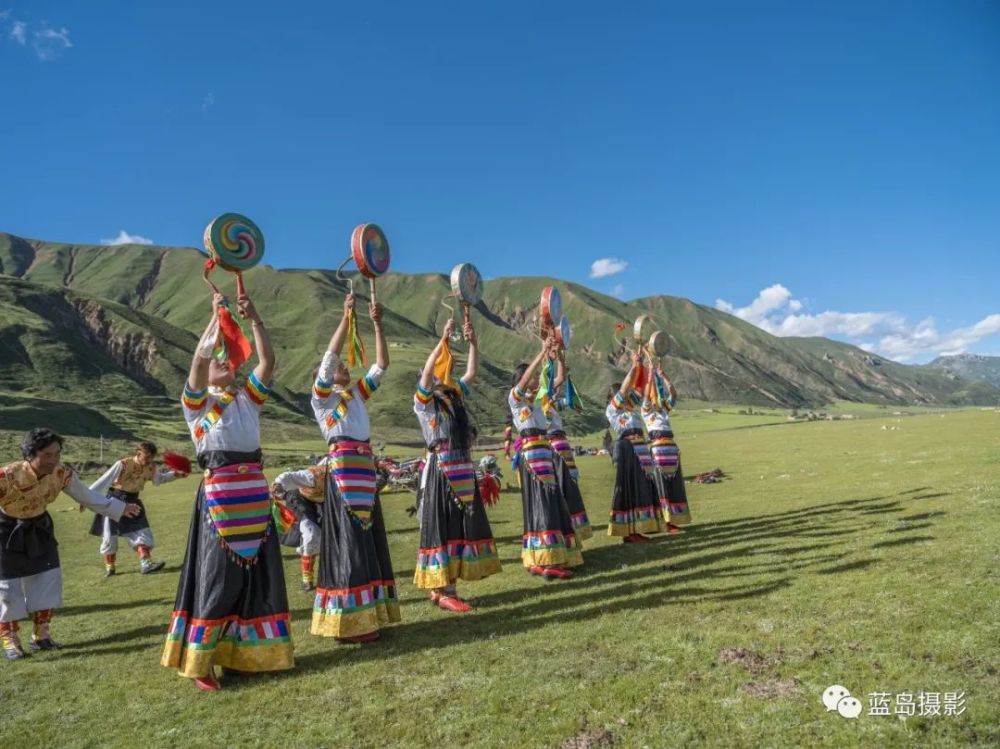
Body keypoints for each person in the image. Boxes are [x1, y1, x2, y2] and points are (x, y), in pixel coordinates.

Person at [162, 290, 293, 691]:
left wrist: (254, 318)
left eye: (227, 359)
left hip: (254, 496)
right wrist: (216, 316)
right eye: (219, 361)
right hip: (220, 501)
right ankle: (202, 662)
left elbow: (268, 361)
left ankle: (246, 656)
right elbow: (200, 361)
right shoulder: (196, 408)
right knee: (216, 579)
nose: (222, 361)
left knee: (256, 580)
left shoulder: (248, 402)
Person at [0, 428, 141, 659]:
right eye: (47, 455)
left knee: (47, 579)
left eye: (57, 453)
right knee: (6, 586)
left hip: (40, 528)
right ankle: (10, 639)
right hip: (5, 530)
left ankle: (41, 635)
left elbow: (86, 495)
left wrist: (121, 508)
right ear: (30, 454)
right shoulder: (6, 476)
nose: (54, 460)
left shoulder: (61, 473)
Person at [310, 292, 399, 643]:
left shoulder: (357, 395)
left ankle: (368, 616)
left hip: (363, 470)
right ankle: (347, 625)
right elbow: (329, 358)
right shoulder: (321, 400)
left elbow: (382, 364)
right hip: (344, 473)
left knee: (366, 543)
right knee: (347, 544)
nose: (344, 367)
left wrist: (376, 323)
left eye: (347, 367)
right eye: (338, 369)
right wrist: (346, 321)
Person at [413, 316, 501, 612]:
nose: (442, 372)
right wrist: (443, 340)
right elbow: (426, 374)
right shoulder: (424, 403)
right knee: (442, 525)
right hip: (441, 471)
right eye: (439, 369)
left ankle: (446, 587)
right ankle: (443, 589)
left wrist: (473, 341)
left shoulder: (454, 397)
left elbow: (473, 371)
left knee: (458, 527)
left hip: (461, 469)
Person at [508, 333, 583, 578]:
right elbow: (524, 384)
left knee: (550, 504)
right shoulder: (515, 400)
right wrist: (541, 354)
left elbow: (560, 378)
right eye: (527, 379)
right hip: (531, 458)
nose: (532, 383)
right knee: (539, 506)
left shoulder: (539, 402)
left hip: (544, 455)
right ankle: (545, 560)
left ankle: (545, 558)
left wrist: (556, 354)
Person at [88, 441, 186, 576]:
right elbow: (104, 480)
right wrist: (87, 497)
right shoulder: (122, 464)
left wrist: (176, 474)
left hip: (134, 501)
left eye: (151, 457)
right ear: (138, 454)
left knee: (141, 532)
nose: (149, 461)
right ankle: (110, 568)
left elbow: (159, 480)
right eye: (146, 457)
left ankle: (146, 564)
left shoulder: (151, 467)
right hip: (114, 501)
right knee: (109, 536)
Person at [605, 351, 665, 542]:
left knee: (642, 488)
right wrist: (633, 367)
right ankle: (628, 533)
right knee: (630, 489)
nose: (626, 396)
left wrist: (646, 368)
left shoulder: (630, 408)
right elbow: (625, 389)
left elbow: (642, 390)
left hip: (640, 449)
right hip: (627, 449)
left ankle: (639, 527)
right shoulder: (612, 410)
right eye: (622, 395)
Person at [545, 350, 593, 541]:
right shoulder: (541, 401)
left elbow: (571, 400)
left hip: (562, 445)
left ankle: (572, 532)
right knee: (560, 488)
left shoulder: (554, 403)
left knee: (569, 487)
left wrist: (562, 359)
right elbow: (558, 378)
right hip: (552, 447)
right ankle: (562, 532)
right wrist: (558, 364)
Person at [642, 361, 692, 530]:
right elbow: (647, 393)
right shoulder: (646, 410)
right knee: (660, 486)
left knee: (673, 485)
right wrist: (650, 375)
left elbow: (674, 394)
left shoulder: (664, 409)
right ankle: (666, 522)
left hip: (671, 449)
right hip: (658, 450)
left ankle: (674, 519)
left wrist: (663, 376)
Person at [271, 458, 328, 591]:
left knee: (326, 533)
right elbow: (290, 476)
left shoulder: (344, 476)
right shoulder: (315, 474)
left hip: (322, 502)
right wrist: (279, 484)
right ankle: (307, 578)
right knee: (311, 533)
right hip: (301, 500)